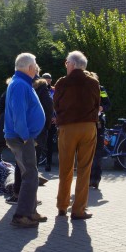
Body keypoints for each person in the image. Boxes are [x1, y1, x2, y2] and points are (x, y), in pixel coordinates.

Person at [53, 51, 100, 220]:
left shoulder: (62, 83)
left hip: (67, 128)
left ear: (72, 64)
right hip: (88, 127)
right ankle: (79, 209)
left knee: (65, 168)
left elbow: (56, 104)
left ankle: (62, 206)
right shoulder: (93, 82)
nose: (66, 65)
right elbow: (97, 104)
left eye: (67, 63)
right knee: (84, 169)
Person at [4, 53, 47, 228]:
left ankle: (31, 212)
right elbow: (18, 114)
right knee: (30, 176)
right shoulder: (20, 85)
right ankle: (21, 215)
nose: (36, 68)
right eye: (35, 65)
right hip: (21, 138)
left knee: (30, 174)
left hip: (21, 137)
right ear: (29, 68)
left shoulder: (20, 83)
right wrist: (26, 137)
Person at [89, 78, 111, 190]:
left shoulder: (101, 89)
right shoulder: (84, 88)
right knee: (87, 152)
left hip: (99, 124)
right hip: (87, 124)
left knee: (98, 152)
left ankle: (96, 179)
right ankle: (88, 179)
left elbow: (107, 103)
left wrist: (102, 107)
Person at [42, 72, 57, 172]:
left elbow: (59, 105)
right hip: (41, 119)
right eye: (45, 79)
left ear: (51, 80)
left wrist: (57, 118)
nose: (47, 81)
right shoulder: (37, 89)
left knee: (50, 141)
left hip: (52, 120)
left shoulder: (55, 91)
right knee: (38, 141)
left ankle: (48, 163)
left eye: (49, 79)